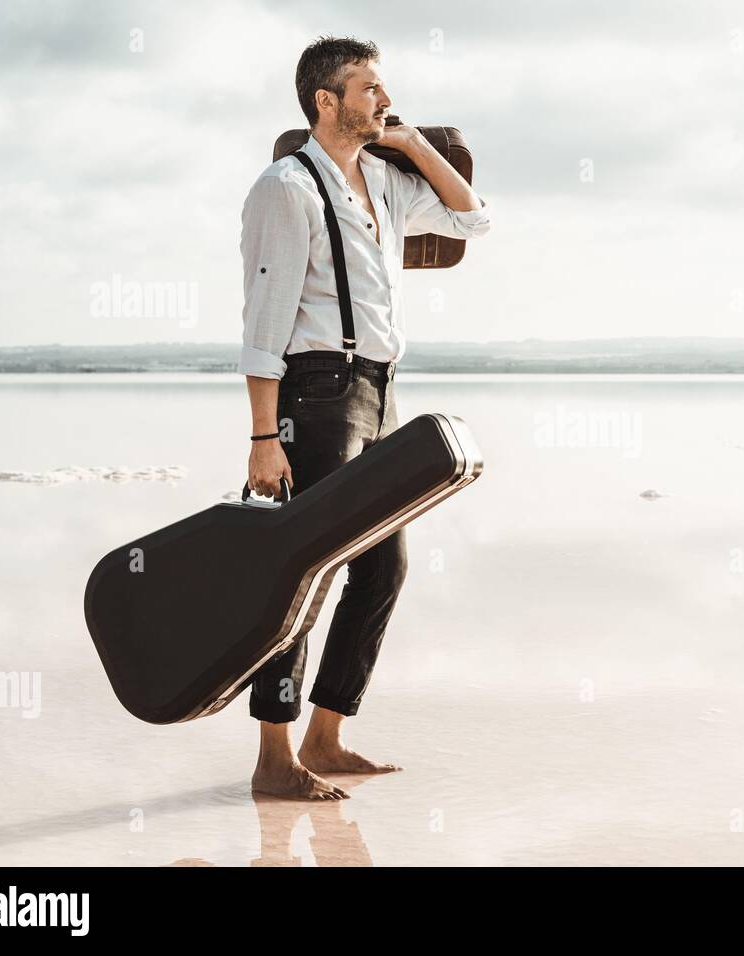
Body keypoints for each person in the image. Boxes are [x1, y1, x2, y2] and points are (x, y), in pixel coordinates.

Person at [238, 35, 492, 800]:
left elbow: (472, 220)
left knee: (383, 565)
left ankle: (328, 736)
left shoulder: (383, 181)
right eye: (369, 88)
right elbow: (264, 320)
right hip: (315, 394)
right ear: (327, 100)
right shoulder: (285, 188)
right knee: (302, 572)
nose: (382, 99)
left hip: (379, 392)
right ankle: (274, 757)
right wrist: (261, 435)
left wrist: (412, 141)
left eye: (383, 88)